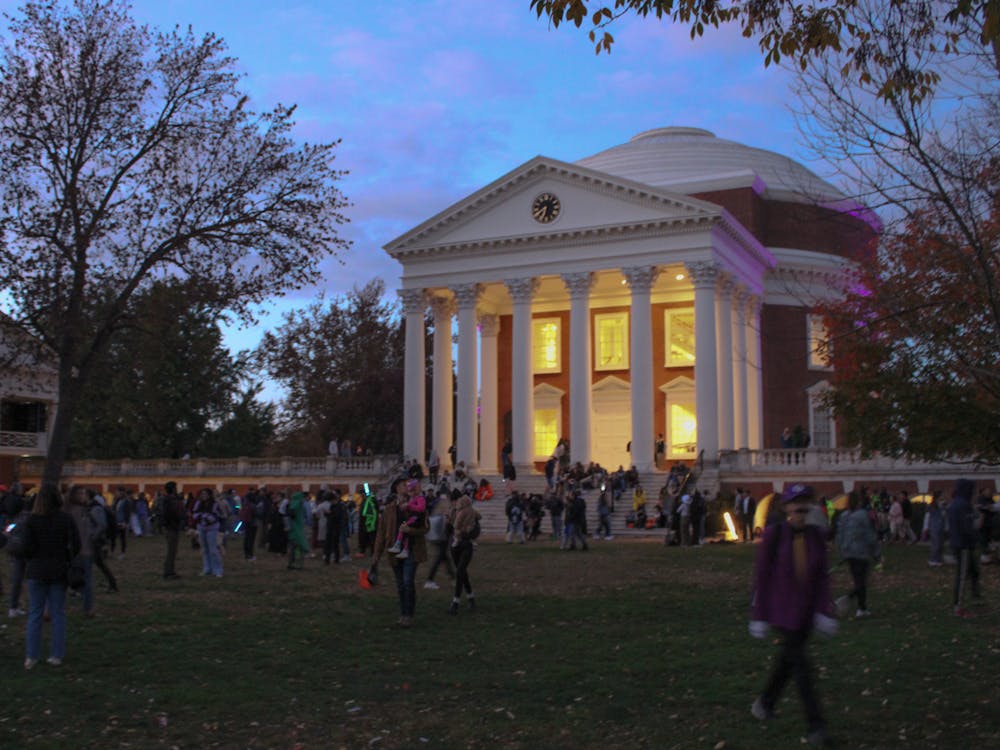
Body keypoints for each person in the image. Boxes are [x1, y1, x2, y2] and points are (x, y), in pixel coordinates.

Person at [749, 483, 837, 746]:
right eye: (796, 504)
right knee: (802, 669)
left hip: (806, 614)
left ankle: (765, 703)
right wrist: (759, 614)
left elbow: (822, 577)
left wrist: (824, 611)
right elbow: (762, 577)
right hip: (782, 612)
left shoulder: (815, 537)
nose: (800, 509)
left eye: (804, 504)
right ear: (786, 507)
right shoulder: (775, 536)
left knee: (787, 662)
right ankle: (816, 725)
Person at [22, 483, 80, 669]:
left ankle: (31, 656)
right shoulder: (65, 519)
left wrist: (32, 557)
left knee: (35, 613)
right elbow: (76, 543)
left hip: (37, 569)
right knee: (58, 613)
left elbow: (26, 547)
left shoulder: (32, 520)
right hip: (59, 569)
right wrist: (68, 558)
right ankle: (56, 654)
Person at [373, 488, 429, 627]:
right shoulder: (388, 511)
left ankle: (408, 615)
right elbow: (381, 533)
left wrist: (410, 530)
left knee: (407, 581)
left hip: (412, 550)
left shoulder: (418, 507)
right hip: (394, 550)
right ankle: (403, 614)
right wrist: (376, 555)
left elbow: (426, 528)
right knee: (400, 585)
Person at [836, 491, 878, 617]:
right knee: (862, 581)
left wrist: (842, 551)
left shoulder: (844, 516)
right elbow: (869, 535)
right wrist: (876, 552)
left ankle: (861, 607)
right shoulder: (863, 515)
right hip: (862, 552)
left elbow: (840, 535)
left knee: (858, 580)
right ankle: (855, 603)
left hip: (849, 553)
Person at [948, 478, 981, 617]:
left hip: (958, 542)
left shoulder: (955, 504)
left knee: (970, 571)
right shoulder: (963, 505)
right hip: (964, 544)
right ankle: (958, 607)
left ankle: (974, 595)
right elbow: (967, 526)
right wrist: (975, 537)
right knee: (962, 575)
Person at [447, 494, 481, 615]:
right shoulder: (453, 512)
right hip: (455, 546)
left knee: (460, 571)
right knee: (462, 573)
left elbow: (476, 529)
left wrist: (465, 532)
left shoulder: (469, 513)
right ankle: (471, 597)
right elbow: (449, 529)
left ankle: (455, 601)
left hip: (466, 545)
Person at [387, 487, 426, 560]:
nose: (409, 493)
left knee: (404, 528)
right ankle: (400, 547)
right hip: (413, 517)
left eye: (411, 491)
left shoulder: (420, 498)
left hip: (417, 518)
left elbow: (421, 508)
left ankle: (401, 547)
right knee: (403, 530)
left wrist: (409, 506)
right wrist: (405, 507)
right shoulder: (412, 499)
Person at [193, 489, 224, 577]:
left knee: (213, 549)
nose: (204, 495)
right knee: (204, 549)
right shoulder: (198, 503)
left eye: (205, 494)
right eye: (202, 494)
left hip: (212, 528)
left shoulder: (215, 504)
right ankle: (207, 568)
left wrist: (205, 517)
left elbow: (217, 515)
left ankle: (218, 570)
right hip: (201, 527)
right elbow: (195, 514)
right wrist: (203, 517)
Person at [161, 481, 183, 579]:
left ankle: (169, 570)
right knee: (171, 551)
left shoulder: (167, 500)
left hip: (170, 526)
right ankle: (169, 571)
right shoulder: (171, 500)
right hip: (172, 527)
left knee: (172, 550)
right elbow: (174, 513)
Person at [286, 491, 309, 570]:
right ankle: (298, 564)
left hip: (293, 529)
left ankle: (291, 563)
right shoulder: (297, 503)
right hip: (297, 529)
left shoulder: (293, 503)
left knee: (292, 547)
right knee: (299, 546)